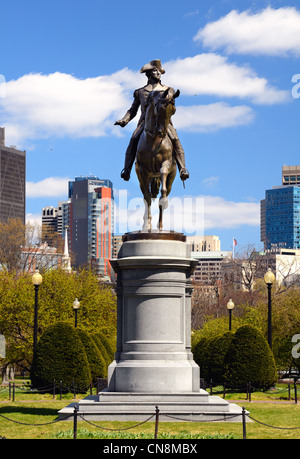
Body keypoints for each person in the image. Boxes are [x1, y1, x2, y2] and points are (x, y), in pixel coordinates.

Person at [115, 59, 189, 182]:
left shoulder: (168, 89)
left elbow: (171, 107)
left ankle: (183, 168)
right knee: (133, 139)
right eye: (155, 71)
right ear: (149, 74)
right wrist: (124, 120)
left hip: (163, 123)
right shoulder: (140, 92)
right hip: (145, 124)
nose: (158, 73)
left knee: (175, 139)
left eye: (159, 71)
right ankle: (126, 169)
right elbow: (132, 110)